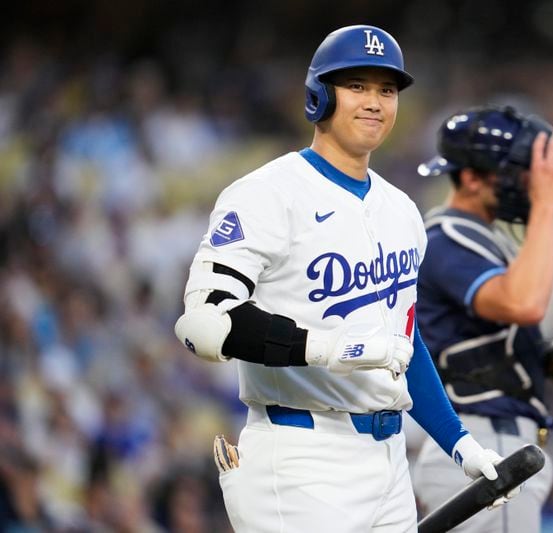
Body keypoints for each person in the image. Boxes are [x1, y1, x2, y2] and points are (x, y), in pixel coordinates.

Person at [174, 26, 517, 532]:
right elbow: (204, 326)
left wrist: (458, 444)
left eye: (386, 89)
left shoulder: (401, 209)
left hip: (388, 461)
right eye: (356, 85)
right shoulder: (268, 193)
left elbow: (405, 345)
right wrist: (333, 347)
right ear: (319, 95)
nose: (374, 102)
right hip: (300, 454)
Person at [412, 105, 553, 533]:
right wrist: (547, 204)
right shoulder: (447, 236)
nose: (528, 185)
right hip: (487, 443)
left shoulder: (479, 238)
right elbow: (522, 303)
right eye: (517, 174)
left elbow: (491, 343)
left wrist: (552, 360)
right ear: (470, 177)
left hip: (487, 440)